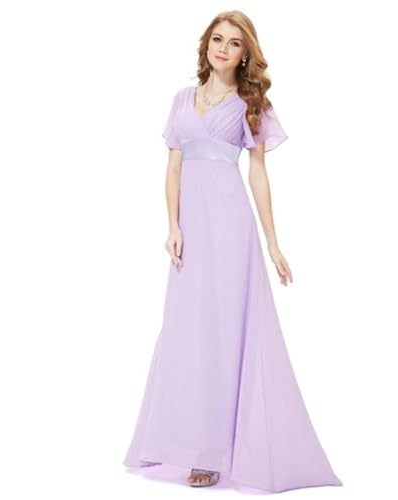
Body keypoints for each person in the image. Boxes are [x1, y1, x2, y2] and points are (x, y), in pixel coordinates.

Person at [123, 10, 343, 492]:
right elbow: (173, 168)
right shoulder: (182, 100)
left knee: (226, 333)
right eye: (217, 39)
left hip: (231, 231)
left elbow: (258, 173)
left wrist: (272, 241)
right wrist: (172, 225)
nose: (223, 48)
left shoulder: (251, 103)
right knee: (188, 331)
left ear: (246, 54)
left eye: (234, 43)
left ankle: (215, 455)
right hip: (191, 233)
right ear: (206, 44)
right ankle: (185, 443)